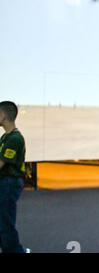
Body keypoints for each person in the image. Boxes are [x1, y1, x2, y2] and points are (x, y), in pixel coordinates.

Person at [0, 101, 27, 253]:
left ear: (3, 115)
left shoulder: (15, 139)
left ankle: (16, 251)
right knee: (2, 220)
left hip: (9, 183)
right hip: (4, 182)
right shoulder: (5, 137)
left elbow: (1, 163)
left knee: (5, 221)